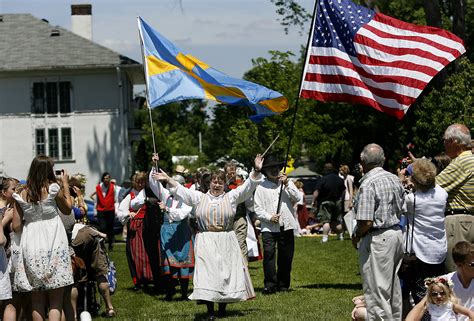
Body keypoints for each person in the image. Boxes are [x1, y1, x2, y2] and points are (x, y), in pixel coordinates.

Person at [152, 154, 263, 320]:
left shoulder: (231, 197)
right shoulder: (199, 197)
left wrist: (256, 170)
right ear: (209, 183)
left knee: (225, 273)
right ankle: (210, 311)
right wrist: (168, 179)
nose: (217, 184)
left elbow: (248, 187)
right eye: (214, 181)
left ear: (224, 183)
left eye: (220, 182)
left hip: (226, 238)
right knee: (207, 274)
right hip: (205, 239)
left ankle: (222, 309)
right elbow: (181, 191)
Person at [11, 155, 74, 321]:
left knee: (37, 300)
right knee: (55, 300)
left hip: (31, 244)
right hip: (54, 242)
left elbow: (16, 227)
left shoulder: (22, 193)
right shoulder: (53, 188)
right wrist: (66, 184)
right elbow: (68, 209)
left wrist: (30, 217)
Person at [351, 144, 405, 320]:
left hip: (378, 237)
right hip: (396, 234)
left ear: (362, 161)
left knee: (377, 291)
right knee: (393, 287)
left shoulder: (368, 183)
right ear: (383, 160)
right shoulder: (394, 179)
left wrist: (356, 235)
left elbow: (366, 221)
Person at [140, 160, 194, 301]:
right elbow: (154, 183)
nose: (171, 186)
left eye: (173, 184)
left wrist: (167, 209)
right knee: (168, 263)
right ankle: (170, 291)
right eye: (169, 184)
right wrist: (154, 165)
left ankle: (183, 293)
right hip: (167, 233)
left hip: (181, 232)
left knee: (183, 261)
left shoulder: (187, 200)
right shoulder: (166, 195)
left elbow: (181, 214)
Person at [401, 159, 448, 306]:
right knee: (438, 290)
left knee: (421, 293)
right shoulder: (443, 194)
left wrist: (402, 181)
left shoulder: (412, 199)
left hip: (420, 251)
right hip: (439, 248)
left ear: (415, 180)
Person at [254, 155, 301, 294]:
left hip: (286, 225)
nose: (274, 170)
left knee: (286, 256)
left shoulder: (287, 183)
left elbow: (297, 197)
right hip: (268, 227)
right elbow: (258, 208)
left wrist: (287, 184)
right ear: (265, 171)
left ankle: (283, 285)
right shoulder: (261, 187)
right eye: (270, 168)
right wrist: (269, 217)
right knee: (269, 255)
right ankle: (270, 284)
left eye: (276, 167)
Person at [436, 123, 474, 272]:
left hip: (459, 223)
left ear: (454, 142)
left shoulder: (461, 162)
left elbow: (433, 186)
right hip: (470, 219)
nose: (444, 144)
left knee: (456, 273)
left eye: (445, 140)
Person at [116, 172, 154, 291]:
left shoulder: (148, 193)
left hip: (148, 227)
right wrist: (128, 213)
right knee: (137, 254)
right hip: (135, 229)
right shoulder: (130, 196)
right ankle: (139, 281)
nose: (140, 184)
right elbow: (120, 212)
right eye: (138, 182)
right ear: (134, 182)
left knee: (148, 253)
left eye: (142, 181)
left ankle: (150, 279)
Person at [405, 276, 474, 321]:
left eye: (442, 293)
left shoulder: (450, 305)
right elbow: (418, 313)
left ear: (447, 294)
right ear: (430, 296)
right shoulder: (429, 305)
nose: (439, 296)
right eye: (434, 294)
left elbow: (470, 313)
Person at [312, 163, 345, 242]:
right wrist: (341, 199)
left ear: (325, 169)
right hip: (338, 202)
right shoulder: (339, 179)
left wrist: (313, 201)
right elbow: (344, 191)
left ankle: (325, 238)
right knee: (336, 221)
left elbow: (316, 191)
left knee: (326, 221)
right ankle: (341, 236)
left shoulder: (323, 179)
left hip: (326, 202)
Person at [224, 162, 249, 260]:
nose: (232, 175)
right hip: (227, 219)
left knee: (240, 243)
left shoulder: (240, 184)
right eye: (229, 173)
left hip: (239, 217)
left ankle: (244, 269)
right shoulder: (222, 186)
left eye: (233, 173)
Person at [90, 172, 118, 251]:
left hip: (110, 210)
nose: (106, 180)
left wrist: (116, 210)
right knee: (102, 227)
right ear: (103, 179)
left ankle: (110, 244)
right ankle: (102, 244)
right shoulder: (98, 187)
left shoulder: (113, 187)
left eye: (108, 178)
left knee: (110, 228)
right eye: (105, 178)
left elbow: (115, 200)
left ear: (109, 179)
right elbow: (97, 200)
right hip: (101, 210)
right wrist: (95, 210)